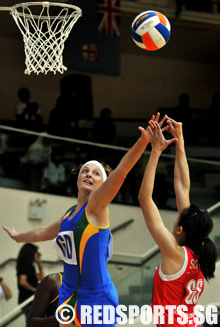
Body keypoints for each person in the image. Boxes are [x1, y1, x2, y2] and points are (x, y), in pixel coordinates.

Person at [3, 113, 162, 327]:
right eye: (85, 171)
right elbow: (43, 232)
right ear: (77, 179)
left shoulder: (96, 205)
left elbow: (122, 171)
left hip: (96, 297)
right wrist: (18, 237)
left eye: (96, 173)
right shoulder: (70, 213)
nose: (88, 174)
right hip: (71, 293)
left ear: (102, 185)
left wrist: (143, 142)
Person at [138, 117, 217, 327]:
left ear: (180, 229)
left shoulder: (173, 250)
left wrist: (155, 152)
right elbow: (182, 187)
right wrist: (179, 141)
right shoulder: (198, 254)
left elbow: (145, 200)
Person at [16, 243, 45, 318]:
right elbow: (23, 282)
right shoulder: (25, 265)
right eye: (36, 253)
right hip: (28, 301)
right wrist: (35, 290)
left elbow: (42, 278)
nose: (37, 255)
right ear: (31, 253)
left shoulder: (30, 267)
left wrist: (39, 263)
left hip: (31, 301)